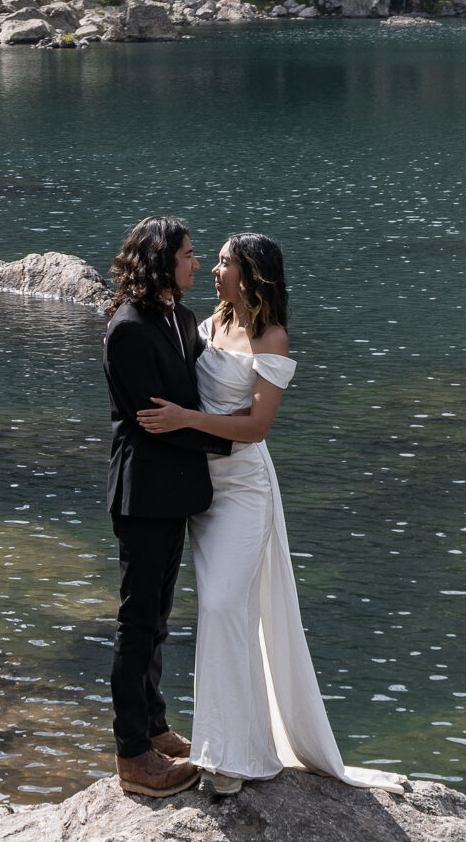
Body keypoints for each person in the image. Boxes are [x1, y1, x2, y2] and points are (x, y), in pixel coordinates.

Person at [137, 233, 407, 797]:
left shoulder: (272, 338)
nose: (213, 270)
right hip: (201, 490)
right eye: (212, 261)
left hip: (244, 490)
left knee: (223, 606)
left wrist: (188, 419)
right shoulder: (208, 324)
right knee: (220, 614)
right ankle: (229, 747)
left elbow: (256, 427)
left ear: (251, 274)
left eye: (224, 263)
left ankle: (231, 759)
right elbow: (198, 391)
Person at [102, 215, 233, 798]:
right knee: (137, 622)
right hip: (142, 494)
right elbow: (154, 421)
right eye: (187, 254)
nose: (196, 262)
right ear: (161, 261)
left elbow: (186, 404)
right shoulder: (127, 329)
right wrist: (232, 436)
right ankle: (132, 753)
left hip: (173, 491)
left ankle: (154, 725)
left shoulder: (180, 318)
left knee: (158, 616)